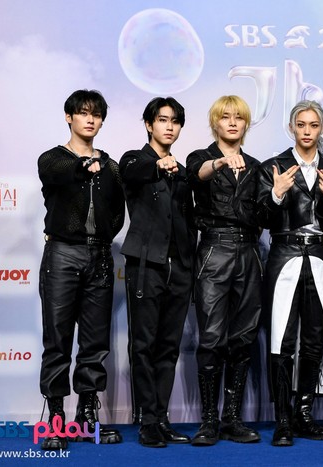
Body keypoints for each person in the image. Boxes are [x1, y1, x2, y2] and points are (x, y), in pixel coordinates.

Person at [257, 100, 323, 446]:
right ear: (292, 128)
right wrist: (276, 194)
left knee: (315, 336)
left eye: (313, 125)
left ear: (321, 129)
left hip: (320, 256)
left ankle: (304, 414)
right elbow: (260, 218)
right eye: (301, 124)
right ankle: (282, 419)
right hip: (284, 253)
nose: (307, 131)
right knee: (281, 338)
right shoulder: (273, 167)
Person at [37, 89, 124, 450]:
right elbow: (56, 173)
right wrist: (82, 166)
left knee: (95, 343)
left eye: (96, 114)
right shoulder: (53, 158)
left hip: (100, 256)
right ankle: (56, 420)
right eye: (83, 113)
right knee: (57, 341)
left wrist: (102, 238)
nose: (90, 119)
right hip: (62, 254)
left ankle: (86, 416)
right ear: (68, 117)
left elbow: (118, 214)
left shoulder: (112, 166)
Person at [120, 97, 196, 448]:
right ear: (149, 124)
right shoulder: (134, 159)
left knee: (169, 347)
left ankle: (162, 417)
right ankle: (147, 420)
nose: (169, 126)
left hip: (179, 268)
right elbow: (132, 173)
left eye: (175, 121)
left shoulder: (182, 171)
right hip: (146, 265)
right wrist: (158, 166)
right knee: (143, 345)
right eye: (163, 120)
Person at [186, 96, 262, 446]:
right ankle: (208, 420)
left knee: (243, 338)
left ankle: (232, 418)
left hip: (249, 250)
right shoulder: (200, 157)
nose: (232, 122)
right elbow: (197, 175)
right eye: (225, 117)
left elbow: (263, 213)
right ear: (215, 122)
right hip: (214, 249)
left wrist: (276, 195)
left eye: (239, 118)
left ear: (246, 124)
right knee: (211, 338)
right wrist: (219, 163)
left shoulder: (257, 166)